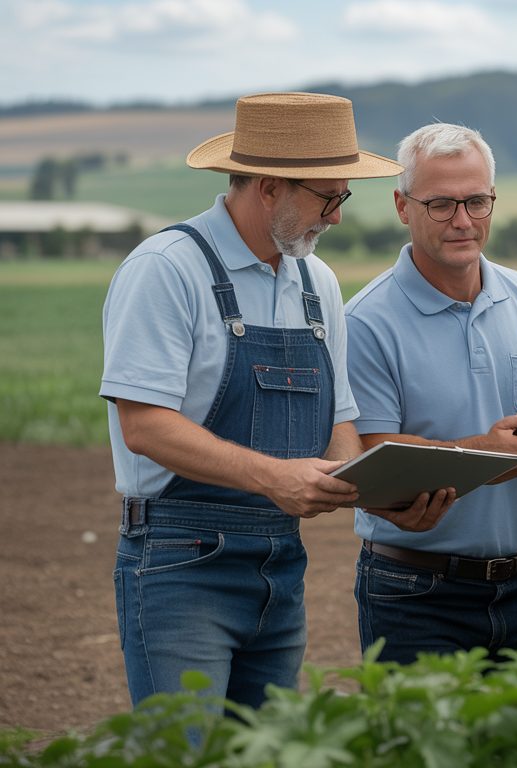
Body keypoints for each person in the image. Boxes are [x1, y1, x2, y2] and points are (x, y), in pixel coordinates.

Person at [100, 92, 450, 709]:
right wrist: (272, 477)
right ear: (267, 187)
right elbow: (146, 427)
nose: (337, 217)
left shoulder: (317, 283)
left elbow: (339, 421)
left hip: (281, 560)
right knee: (185, 754)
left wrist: (374, 494)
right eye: (327, 198)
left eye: (342, 197)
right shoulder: (165, 269)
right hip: (180, 563)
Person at [344, 122, 517, 663]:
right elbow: (372, 455)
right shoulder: (364, 321)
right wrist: (487, 453)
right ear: (402, 206)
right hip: (413, 593)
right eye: (441, 205)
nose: (463, 222)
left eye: (477, 202)